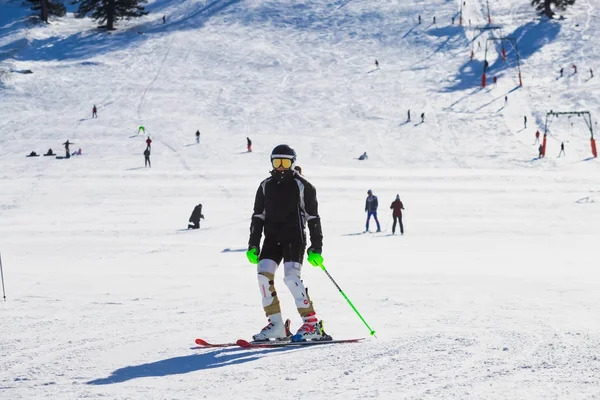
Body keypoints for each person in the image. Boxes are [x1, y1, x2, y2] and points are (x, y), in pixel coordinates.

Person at [246, 144, 330, 343]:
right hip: (272, 239)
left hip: (294, 238)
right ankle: (276, 325)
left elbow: (313, 218)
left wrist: (316, 247)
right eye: (277, 162)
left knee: (291, 278)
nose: (281, 167)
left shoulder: (303, 186)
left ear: (293, 163)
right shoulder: (265, 185)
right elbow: (258, 217)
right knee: (263, 276)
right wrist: (253, 244)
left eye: (285, 162)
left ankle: (312, 324)